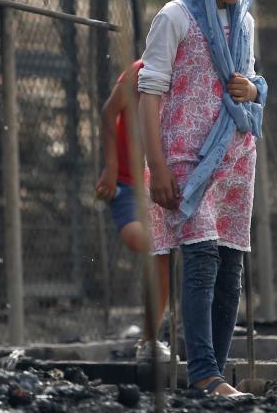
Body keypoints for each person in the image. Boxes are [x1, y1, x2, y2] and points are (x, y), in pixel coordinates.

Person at [138, 0, 268, 397]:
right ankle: (203, 372)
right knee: (200, 261)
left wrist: (252, 88)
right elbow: (150, 93)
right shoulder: (176, 17)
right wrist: (157, 167)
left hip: (234, 158)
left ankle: (214, 374)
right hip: (187, 160)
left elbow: (248, 84)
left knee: (230, 267)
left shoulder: (244, 23)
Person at [95, 59, 171, 362]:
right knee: (143, 240)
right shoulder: (140, 71)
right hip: (127, 184)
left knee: (161, 254)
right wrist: (111, 167)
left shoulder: (190, 74)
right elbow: (108, 112)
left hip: (161, 183)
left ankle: (150, 339)